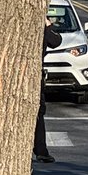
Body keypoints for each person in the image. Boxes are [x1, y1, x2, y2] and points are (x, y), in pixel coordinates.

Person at [34, 18, 63, 163]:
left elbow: (56, 41)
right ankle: (40, 150)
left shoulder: (44, 28)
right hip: (32, 74)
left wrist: (48, 25)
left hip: (36, 73)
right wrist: (48, 25)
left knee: (39, 112)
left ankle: (41, 150)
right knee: (38, 113)